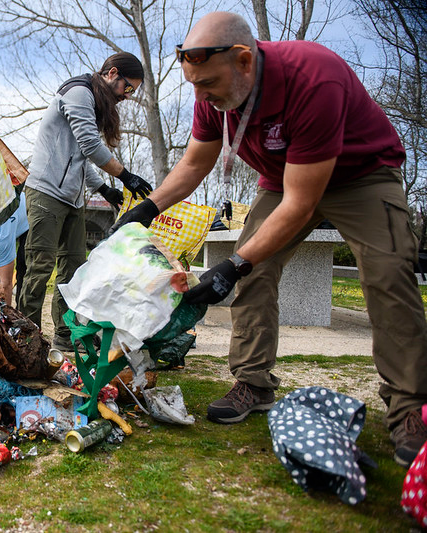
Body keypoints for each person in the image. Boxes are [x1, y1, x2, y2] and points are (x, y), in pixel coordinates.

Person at [113, 12, 427, 466]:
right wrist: (146, 209)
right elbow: (196, 163)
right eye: (194, 85)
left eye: (207, 84)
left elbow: (301, 204)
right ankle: (253, 382)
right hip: (283, 179)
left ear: (244, 60)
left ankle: (408, 406)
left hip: (360, 175)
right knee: (256, 276)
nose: (200, 96)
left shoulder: (315, 79)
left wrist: (233, 263)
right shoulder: (212, 91)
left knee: (387, 276)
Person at [18, 52, 151, 351]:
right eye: (127, 88)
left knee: (73, 271)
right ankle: (25, 338)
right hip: (46, 192)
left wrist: (105, 189)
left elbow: (79, 158)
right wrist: (125, 175)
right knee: (39, 266)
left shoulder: (95, 100)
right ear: (112, 73)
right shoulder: (78, 92)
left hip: (72, 199)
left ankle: (64, 336)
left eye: (133, 92)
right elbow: (90, 144)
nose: (127, 96)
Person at [0, 190, 29, 307]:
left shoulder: (2, 237)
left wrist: (6, 314)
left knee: (24, 264)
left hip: (28, 219)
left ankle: (19, 312)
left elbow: (6, 284)